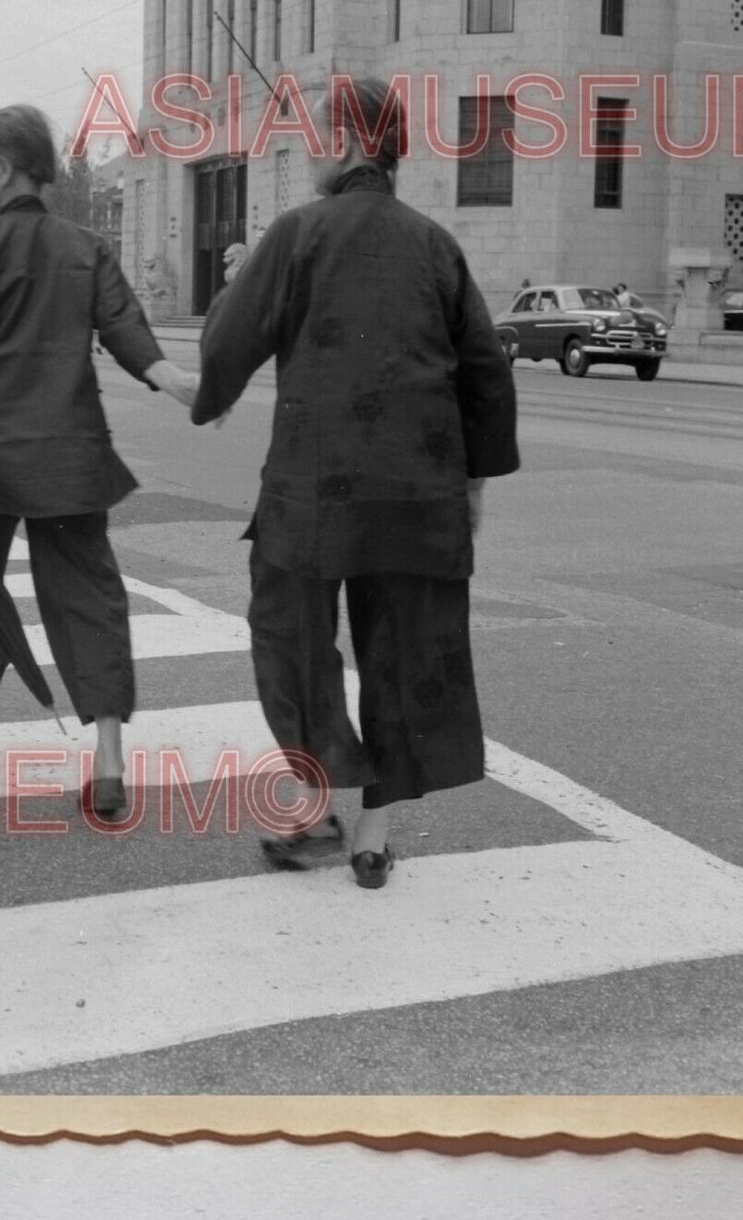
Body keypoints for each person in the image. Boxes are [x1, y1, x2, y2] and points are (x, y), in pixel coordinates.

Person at [191, 75, 519, 889]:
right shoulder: (436, 244)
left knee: (290, 639)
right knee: (406, 652)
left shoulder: (295, 234)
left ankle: (311, 810)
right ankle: (372, 839)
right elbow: (486, 371)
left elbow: (223, 350)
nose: (307, 148)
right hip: (421, 488)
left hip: (311, 489)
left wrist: (240, 281)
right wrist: (472, 482)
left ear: (344, 145)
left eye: (314, 135)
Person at [0, 103, 197, 817]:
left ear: (5, 168)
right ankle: (105, 762)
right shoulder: (85, 246)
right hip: (68, 457)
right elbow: (125, 324)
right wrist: (167, 377)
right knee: (87, 598)